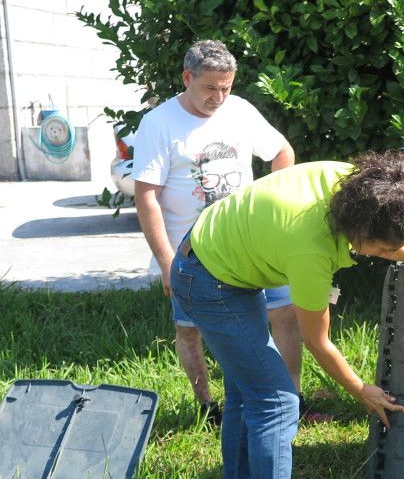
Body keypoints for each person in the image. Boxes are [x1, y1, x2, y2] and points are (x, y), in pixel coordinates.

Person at [171, 153, 404, 479]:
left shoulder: (362, 184)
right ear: (359, 229)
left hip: (218, 256)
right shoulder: (310, 247)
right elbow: (318, 342)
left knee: (249, 391)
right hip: (209, 280)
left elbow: (378, 233)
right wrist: (359, 388)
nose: (385, 252)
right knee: (277, 400)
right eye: (384, 248)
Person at [130, 39, 303, 426]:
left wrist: (276, 208)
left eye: (226, 87)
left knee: (285, 312)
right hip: (192, 256)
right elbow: (146, 197)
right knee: (189, 329)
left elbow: (282, 152)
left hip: (254, 244)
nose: (220, 96)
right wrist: (165, 260)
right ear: (187, 77)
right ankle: (207, 407)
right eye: (211, 87)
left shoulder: (240, 110)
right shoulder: (159, 124)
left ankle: (291, 397)